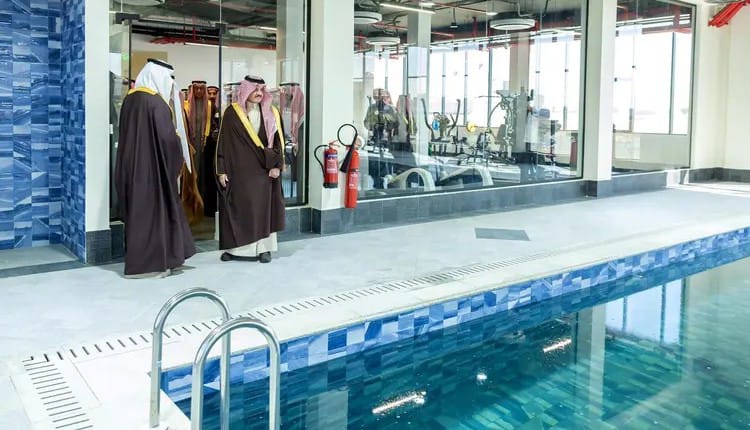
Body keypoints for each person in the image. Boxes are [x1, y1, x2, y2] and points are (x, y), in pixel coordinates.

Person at [115, 59, 195, 278]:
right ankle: (154, 265)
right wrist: (178, 155)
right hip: (153, 172)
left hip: (131, 170)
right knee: (156, 215)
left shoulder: (130, 99)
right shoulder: (155, 103)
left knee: (139, 217)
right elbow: (168, 140)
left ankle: (155, 261)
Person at [215, 75, 285, 263]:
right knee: (238, 210)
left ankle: (264, 249)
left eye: (262, 90)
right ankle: (235, 250)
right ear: (245, 90)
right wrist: (221, 170)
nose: (259, 93)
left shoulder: (272, 112)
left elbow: (279, 142)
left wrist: (277, 165)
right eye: (255, 89)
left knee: (262, 211)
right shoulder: (232, 112)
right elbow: (223, 143)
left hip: (264, 171)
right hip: (238, 172)